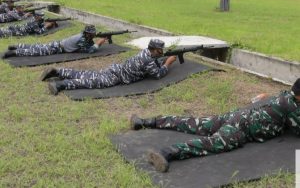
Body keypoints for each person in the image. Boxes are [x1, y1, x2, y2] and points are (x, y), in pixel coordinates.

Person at [130, 78, 300, 172]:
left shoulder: (285, 95)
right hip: (242, 128)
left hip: (236, 116)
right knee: (213, 144)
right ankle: (167, 152)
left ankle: (145, 121)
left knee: (191, 123)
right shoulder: (291, 106)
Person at [40, 38, 176, 95]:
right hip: (117, 77)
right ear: (154, 49)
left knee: (87, 74)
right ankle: (61, 85)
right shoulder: (149, 61)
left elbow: (153, 61)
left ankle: (58, 71)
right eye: (160, 50)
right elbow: (158, 75)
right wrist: (168, 63)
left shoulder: (145, 52)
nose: (161, 52)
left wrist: (162, 59)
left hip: (115, 69)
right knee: (91, 82)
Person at [2, 24, 107, 58]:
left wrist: (95, 41)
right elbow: (89, 51)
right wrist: (98, 43)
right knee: (36, 51)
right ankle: (14, 52)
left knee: (37, 46)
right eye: (92, 34)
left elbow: (88, 43)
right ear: (88, 33)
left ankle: (17, 46)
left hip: (58, 43)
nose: (94, 35)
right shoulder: (82, 39)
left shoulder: (84, 36)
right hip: (58, 47)